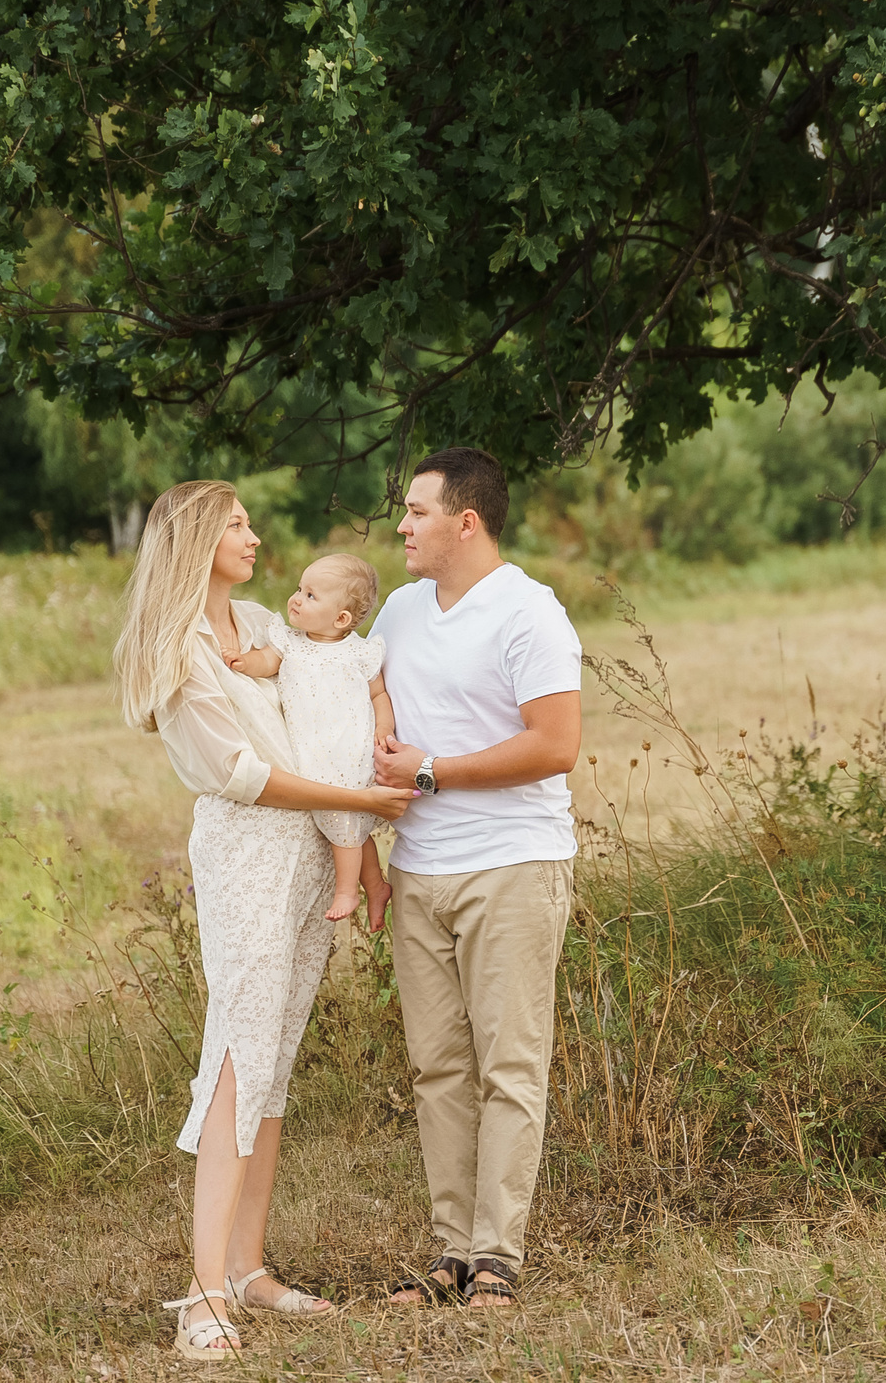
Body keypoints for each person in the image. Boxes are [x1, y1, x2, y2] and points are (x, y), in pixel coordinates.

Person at [112, 481, 414, 1360]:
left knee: (275, 1048)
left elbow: (329, 715)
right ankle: (201, 1295)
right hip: (248, 850)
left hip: (312, 849)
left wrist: (359, 842)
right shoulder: (181, 648)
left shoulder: (260, 622)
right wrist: (360, 800)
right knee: (241, 1048)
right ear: (199, 537)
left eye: (248, 519)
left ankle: (247, 1265)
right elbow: (245, 773)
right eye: (237, 522)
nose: (253, 533)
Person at [369, 447, 584, 1312]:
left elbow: (555, 744)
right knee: (437, 1069)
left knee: (510, 1064)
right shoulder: (398, 607)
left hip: (512, 864)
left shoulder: (530, 614)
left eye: (417, 512)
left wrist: (432, 772)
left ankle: (498, 1254)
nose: (402, 525)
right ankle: (448, 1253)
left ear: (466, 520)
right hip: (418, 869)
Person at [221, 551, 397, 926]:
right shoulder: (290, 643)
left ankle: (348, 890)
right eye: (300, 589)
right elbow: (267, 662)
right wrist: (244, 662)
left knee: (344, 822)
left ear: (342, 618)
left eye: (311, 595)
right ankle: (375, 885)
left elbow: (378, 694)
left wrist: (384, 727)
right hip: (313, 754)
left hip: (349, 751)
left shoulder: (359, 653)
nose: (296, 599)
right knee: (349, 825)